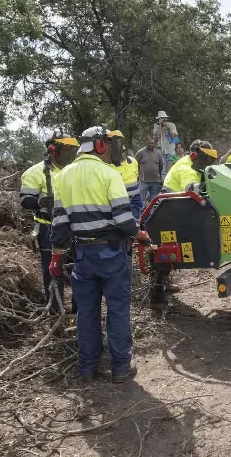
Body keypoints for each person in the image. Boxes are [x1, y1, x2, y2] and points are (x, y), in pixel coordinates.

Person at [50, 127, 148, 383]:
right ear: (100, 145)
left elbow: (59, 223)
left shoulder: (63, 176)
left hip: (82, 254)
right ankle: (119, 367)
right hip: (112, 254)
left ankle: (87, 367)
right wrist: (141, 236)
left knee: (86, 312)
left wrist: (56, 255)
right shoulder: (109, 174)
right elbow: (125, 220)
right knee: (117, 309)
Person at [19, 133, 79, 314]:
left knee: (79, 268)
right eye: (67, 150)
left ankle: (79, 309)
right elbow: (24, 200)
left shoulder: (76, 170)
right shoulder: (35, 172)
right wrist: (39, 202)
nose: (70, 154)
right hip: (48, 228)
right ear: (53, 150)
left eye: (72, 150)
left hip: (75, 227)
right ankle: (55, 310)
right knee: (53, 270)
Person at [108, 131, 143, 219]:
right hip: (122, 202)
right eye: (120, 151)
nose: (122, 153)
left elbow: (137, 177)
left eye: (123, 151)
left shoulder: (133, 161)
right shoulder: (109, 167)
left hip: (136, 200)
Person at [135, 138, 165, 204]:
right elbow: (134, 165)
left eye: (152, 143)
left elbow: (161, 165)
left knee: (153, 201)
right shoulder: (140, 153)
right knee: (141, 200)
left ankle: (152, 213)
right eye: (149, 143)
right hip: (143, 181)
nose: (151, 144)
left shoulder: (157, 153)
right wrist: (138, 175)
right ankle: (142, 213)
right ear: (146, 143)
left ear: (155, 144)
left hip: (155, 182)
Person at [152, 112, 179, 177]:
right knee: (163, 170)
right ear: (158, 119)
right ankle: (163, 184)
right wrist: (160, 126)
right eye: (161, 118)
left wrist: (168, 127)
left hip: (170, 150)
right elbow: (156, 137)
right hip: (161, 150)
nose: (162, 119)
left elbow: (173, 137)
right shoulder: (156, 126)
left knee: (170, 169)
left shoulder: (172, 125)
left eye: (164, 118)